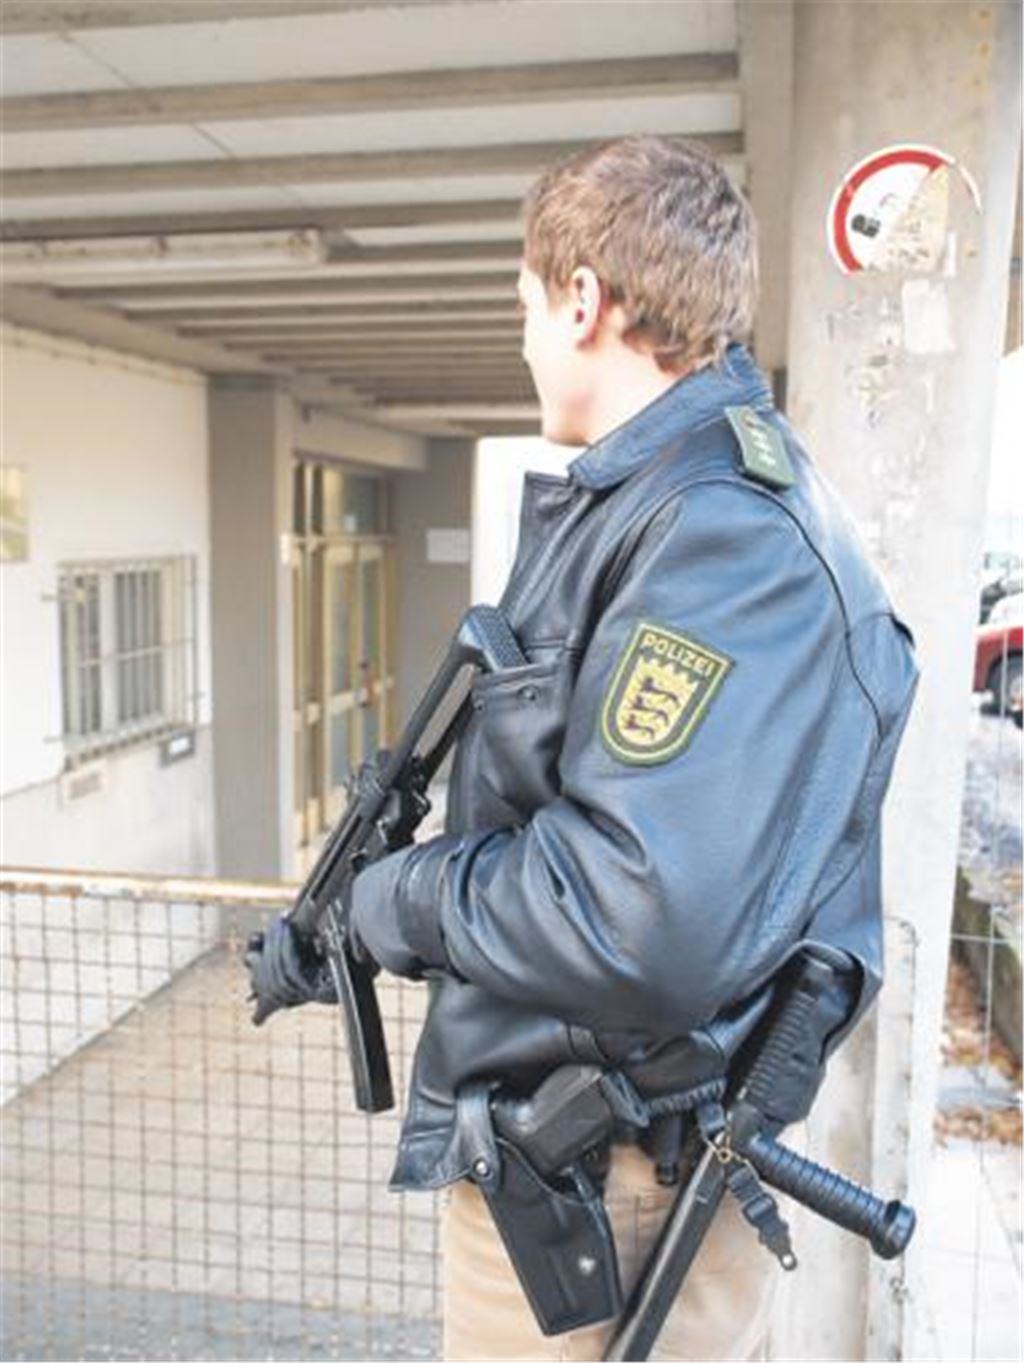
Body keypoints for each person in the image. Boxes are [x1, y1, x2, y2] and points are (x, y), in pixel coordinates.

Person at [248, 135, 918, 1361]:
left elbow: (630, 910)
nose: (521, 344)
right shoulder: (670, 504)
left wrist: (396, 899)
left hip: (610, 1183)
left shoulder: (716, 534)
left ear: (581, 300)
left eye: (522, 308)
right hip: (599, 1162)